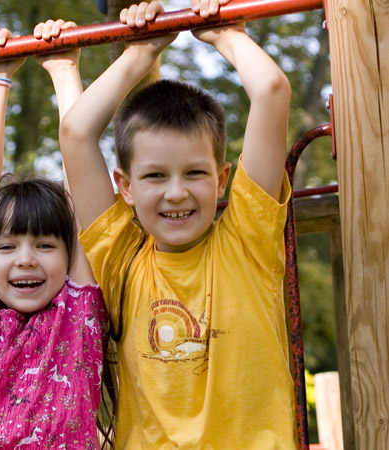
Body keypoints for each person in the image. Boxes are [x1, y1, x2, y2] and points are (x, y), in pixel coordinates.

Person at [59, 1, 296, 448]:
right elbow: (75, 133)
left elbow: (270, 89)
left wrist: (223, 33)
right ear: (125, 187)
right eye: (154, 176)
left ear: (222, 179)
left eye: (194, 173)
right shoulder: (120, 257)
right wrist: (141, 52)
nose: (175, 193)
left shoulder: (250, 239)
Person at [0, 22, 106, 449]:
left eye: (44, 244)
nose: (25, 259)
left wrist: (63, 70)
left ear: (68, 249)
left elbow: (83, 179)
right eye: (6, 246)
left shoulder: (75, 313)